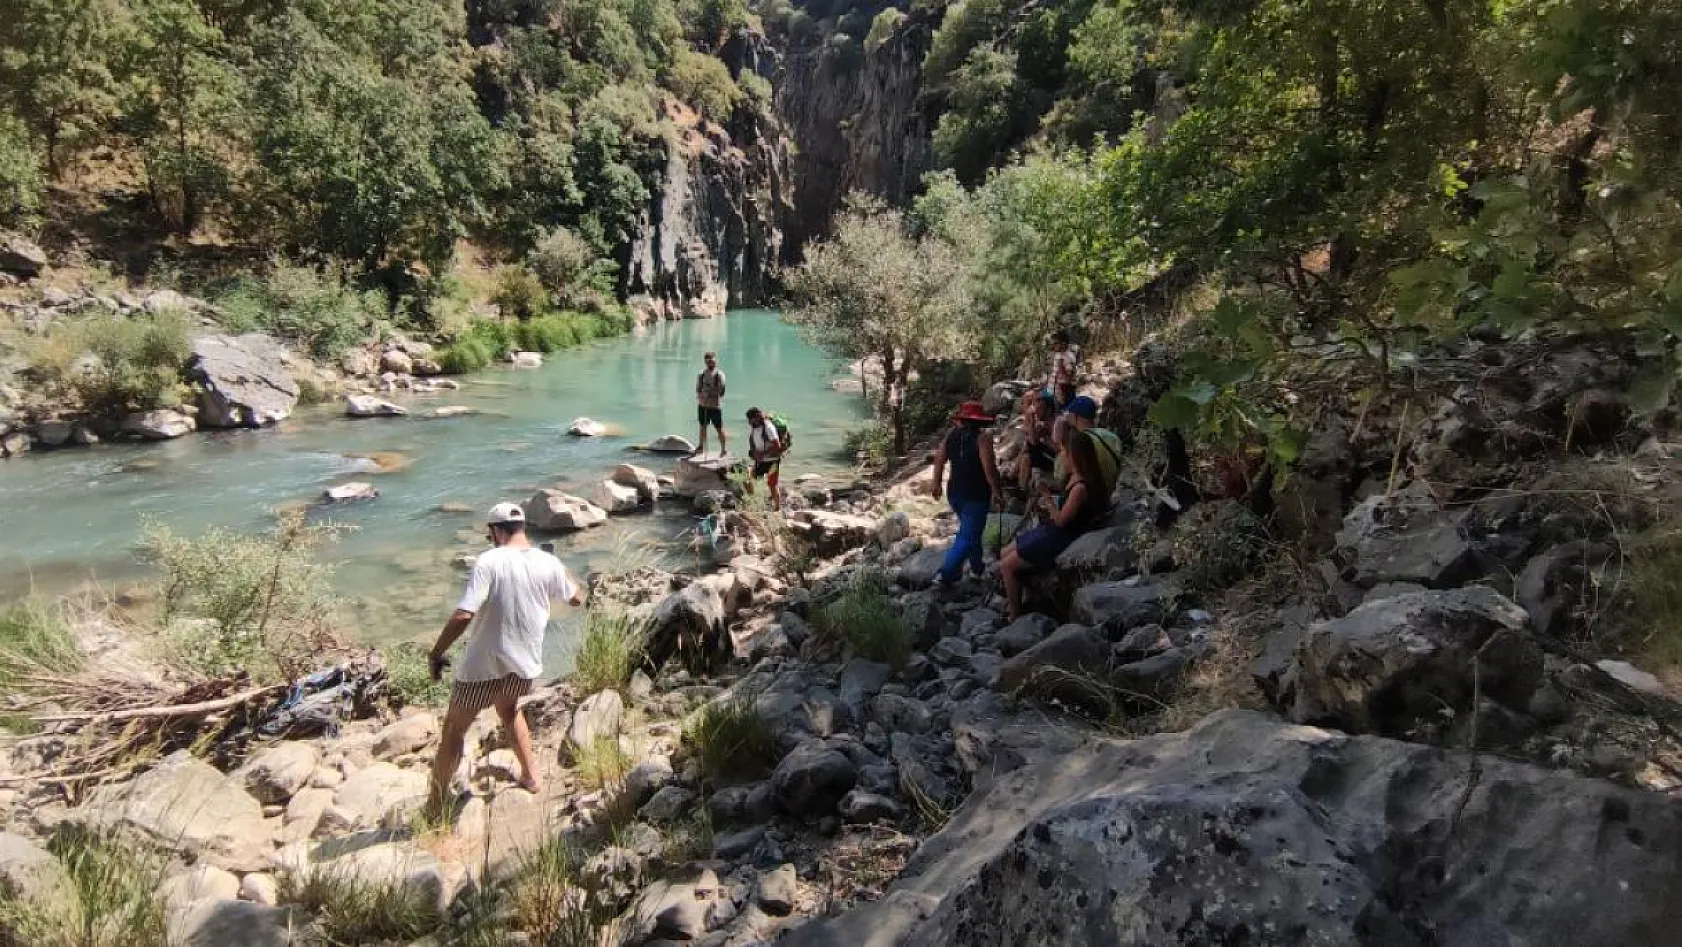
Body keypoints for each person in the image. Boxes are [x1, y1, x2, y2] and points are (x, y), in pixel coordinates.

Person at [426, 502, 586, 810]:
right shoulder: (548, 562)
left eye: (490, 536)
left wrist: (436, 653)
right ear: (523, 528)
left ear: (496, 531)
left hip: (482, 667)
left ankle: (435, 805)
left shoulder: (489, 561)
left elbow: (463, 615)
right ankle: (531, 776)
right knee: (508, 710)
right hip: (525, 666)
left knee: (454, 731)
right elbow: (576, 598)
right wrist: (562, 570)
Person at [998, 428, 1112, 621]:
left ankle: (1014, 613)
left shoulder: (1080, 488)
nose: (1062, 457)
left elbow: (1061, 520)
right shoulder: (1074, 478)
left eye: (1065, 452)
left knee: (1006, 565)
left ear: (1075, 457)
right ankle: (1018, 596)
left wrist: (1048, 499)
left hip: (1063, 534)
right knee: (1004, 552)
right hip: (1054, 529)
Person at [929, 401, 1003, 585]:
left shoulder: (951, 435)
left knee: (971, 531)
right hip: (976, 495)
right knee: (967, 536)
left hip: (954, 492)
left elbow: (939, 460)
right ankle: (946, 574)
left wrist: (936, 484)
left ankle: (977, 568)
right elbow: (989, 468)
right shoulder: (982, 439)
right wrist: (997, 492)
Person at [1064, 395, 1122, 494]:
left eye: (1070, 413)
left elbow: (1065, 471)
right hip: (1114, 489)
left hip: (1093, 493)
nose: (1067, 416)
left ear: (1075, 416)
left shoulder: (1080, 442)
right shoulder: (1112, 436)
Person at [745, 406, 786, 512]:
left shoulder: (768, 427)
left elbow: (777, 445)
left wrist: (763, 454)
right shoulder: (755, 426)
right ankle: (754, 503)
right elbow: (753, 440)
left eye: (750, 419)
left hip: (772, 461)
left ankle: (777, 508)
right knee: (749, 480)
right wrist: (753, 453)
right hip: (761, 461)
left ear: (756, 417)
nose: (749, 422)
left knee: (772, 485)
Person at [693, 351, 728, 458]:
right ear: (705, 362)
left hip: (715, 407)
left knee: (719, 428)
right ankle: (701, 447)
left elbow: (722, 392)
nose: (710, 363)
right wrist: (702, 395)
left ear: (715, 361)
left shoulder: (720, 374)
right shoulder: (701, 374)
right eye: (708, 361)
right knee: (702, 427)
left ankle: (723, 449)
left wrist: (711, 393)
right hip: (702, 405)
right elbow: (698, 389)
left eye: (712, 361)